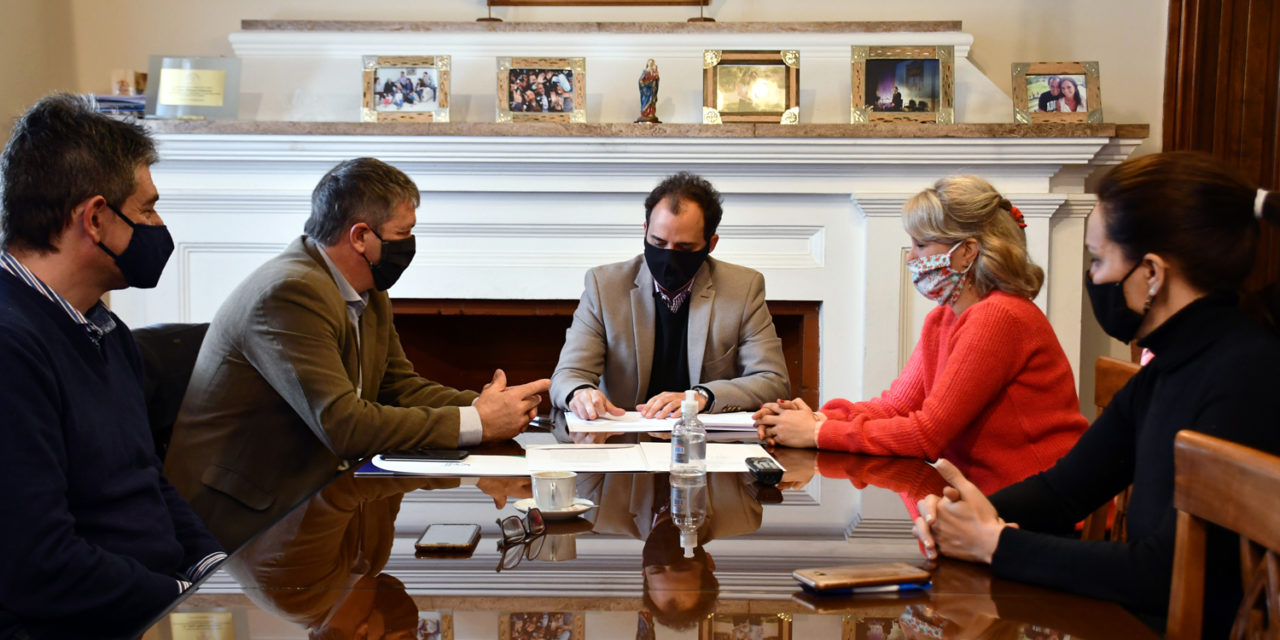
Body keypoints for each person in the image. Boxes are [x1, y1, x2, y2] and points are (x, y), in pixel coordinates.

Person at [913, 151, 1280, 638]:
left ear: (1152, 273)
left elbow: (1160, 572)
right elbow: (1064, 491)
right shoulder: (1166, 366)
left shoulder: (1244, 374)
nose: (1094, 278)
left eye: (1100, 260)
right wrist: (965, 512)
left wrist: (996, 544)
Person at [165, 157, 549, 552]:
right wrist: (478, 422)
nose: (409, 245)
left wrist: (489, 407)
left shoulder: (366, 288)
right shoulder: (289, 293)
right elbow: (343, 424)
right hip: (248, 514)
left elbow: (397, 386)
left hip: (319, 494)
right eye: (403, 233)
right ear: (361, 236)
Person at [0, 93, 224, 638]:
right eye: (146, 209)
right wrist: (185, 603)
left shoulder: (103, 328)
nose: (158, 224)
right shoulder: (10, 346)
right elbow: (39, 565)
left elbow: (145, 480)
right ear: (96, 218)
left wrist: (215, 572)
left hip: (151, 603)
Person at [754, 176, 1088, 496]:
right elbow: (897, 406)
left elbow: (927, 436)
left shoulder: (999, 317)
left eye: (922, 244)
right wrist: (816, 418)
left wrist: (816, 433)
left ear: (967, 251)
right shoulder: (943, 318)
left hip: (1039, 502)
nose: (911, 257)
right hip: (981, 496)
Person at [551, 172, 790, 421]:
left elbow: (773, 382)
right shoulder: (604, 286)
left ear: (711, 244)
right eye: (658, 242)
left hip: (704, 443)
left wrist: (702, 397)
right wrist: (580, 393)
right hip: (622, 437)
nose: (668, 256)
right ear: (645, 231)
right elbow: (568, 375)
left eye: (685, 248)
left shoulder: (743, 288)